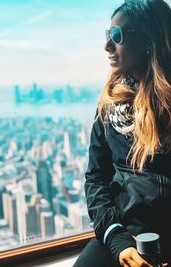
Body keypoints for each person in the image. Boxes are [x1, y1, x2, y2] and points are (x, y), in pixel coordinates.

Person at [73, 0, 171, 266]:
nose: (107, 46)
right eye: (108, 36)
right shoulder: (109, 104)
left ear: (149, 41)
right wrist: (118, 240)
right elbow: (96, 177)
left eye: (117, 36)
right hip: (123, 233)